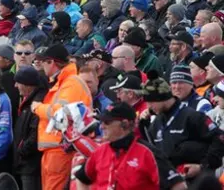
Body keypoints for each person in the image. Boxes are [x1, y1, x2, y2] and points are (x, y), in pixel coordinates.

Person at [74, 102, 186, 190]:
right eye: (101, 122)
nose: (101, 127)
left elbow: (179, 186)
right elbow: (82, 179)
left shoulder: (147, 153)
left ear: (125, 124)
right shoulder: (100, 151)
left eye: (107, 122)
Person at [140, 72, 224, 179]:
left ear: (161, 98)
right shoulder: (156, 122)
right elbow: (154, 151)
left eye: (150, 102)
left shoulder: (192, 116)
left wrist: (203, 166)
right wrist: (143, 126)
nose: (148, 106)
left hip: (198, 180)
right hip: (172, 180)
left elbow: (219, 138)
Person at [31, 44, 92, 190]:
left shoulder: (71, 83)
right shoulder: (64, 82)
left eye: (43, 61)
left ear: (51, 62)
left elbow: (60, 113)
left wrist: (37, 107)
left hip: (62, 148)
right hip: (56, 148)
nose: (40, 65)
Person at [13, 66, 47, 190]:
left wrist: (21, 151)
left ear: (28, 84)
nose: (15, 86)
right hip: (25, 164)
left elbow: (35, 134)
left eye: (18, 82)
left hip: (31, 165)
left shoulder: (37, 103)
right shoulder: (29, 101)